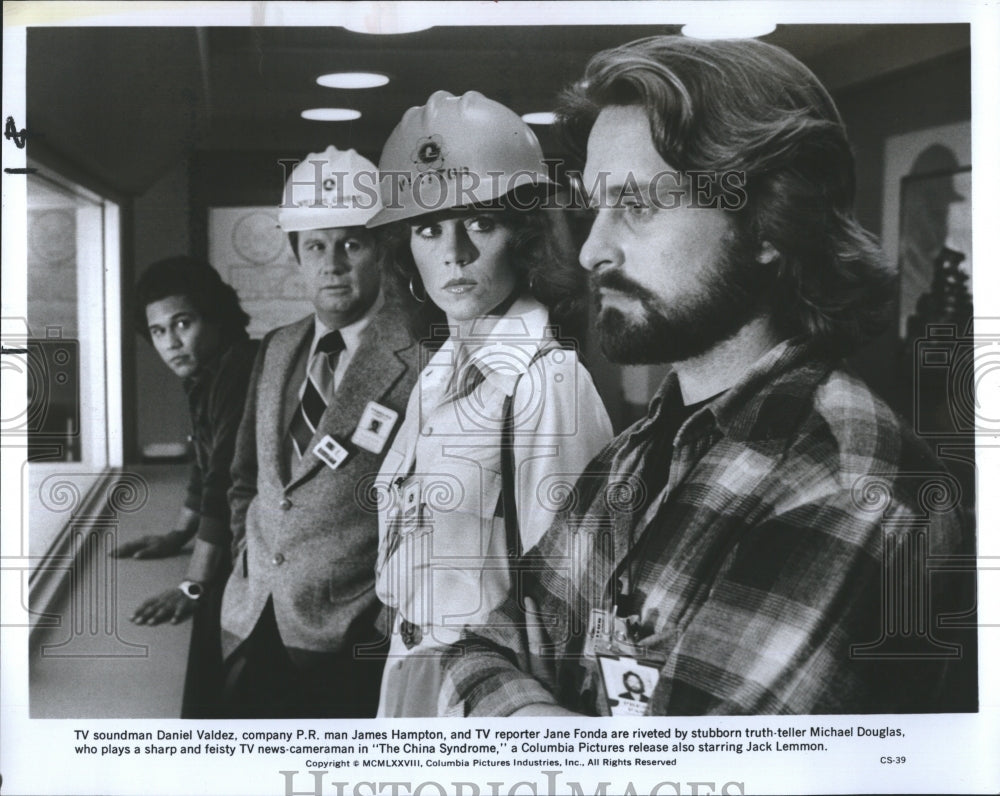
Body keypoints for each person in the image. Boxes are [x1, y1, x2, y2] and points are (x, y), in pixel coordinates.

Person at [439, 36, 974, 716]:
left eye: (637, 205)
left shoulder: (846, 480)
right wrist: (550, 726)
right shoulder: (639, 451)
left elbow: (691, 775)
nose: (595, 249)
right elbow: (485, 643)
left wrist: (526, 725)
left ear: (769, 226)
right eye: (595, 208)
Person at [366, 90, 613, 716]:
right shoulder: (438, 373)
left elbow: (577, 600)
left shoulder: (549, 381)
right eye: (428, 228)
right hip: (414, 668)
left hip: (502, 694)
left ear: (525, 238)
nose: (454, 251)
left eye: (480, 222)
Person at [218, 145, 420, 717]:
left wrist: (381, 622)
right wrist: (248, 564)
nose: (331, 263)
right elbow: (246, 482)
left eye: (350, 244)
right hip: (250, 621)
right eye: (315, 246)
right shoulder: (277, 349)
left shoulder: (424, 360)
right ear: (297, 257)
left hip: (349, 644)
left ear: (380, 251)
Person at [113, 255, 258, 718]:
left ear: (214, 317)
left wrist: (194, 584)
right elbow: (204, 459)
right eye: (158, 331)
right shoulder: (207, 373)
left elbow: (225, 481)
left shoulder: (240, 371)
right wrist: (178, 534)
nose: (171, 343)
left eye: (183, 323)